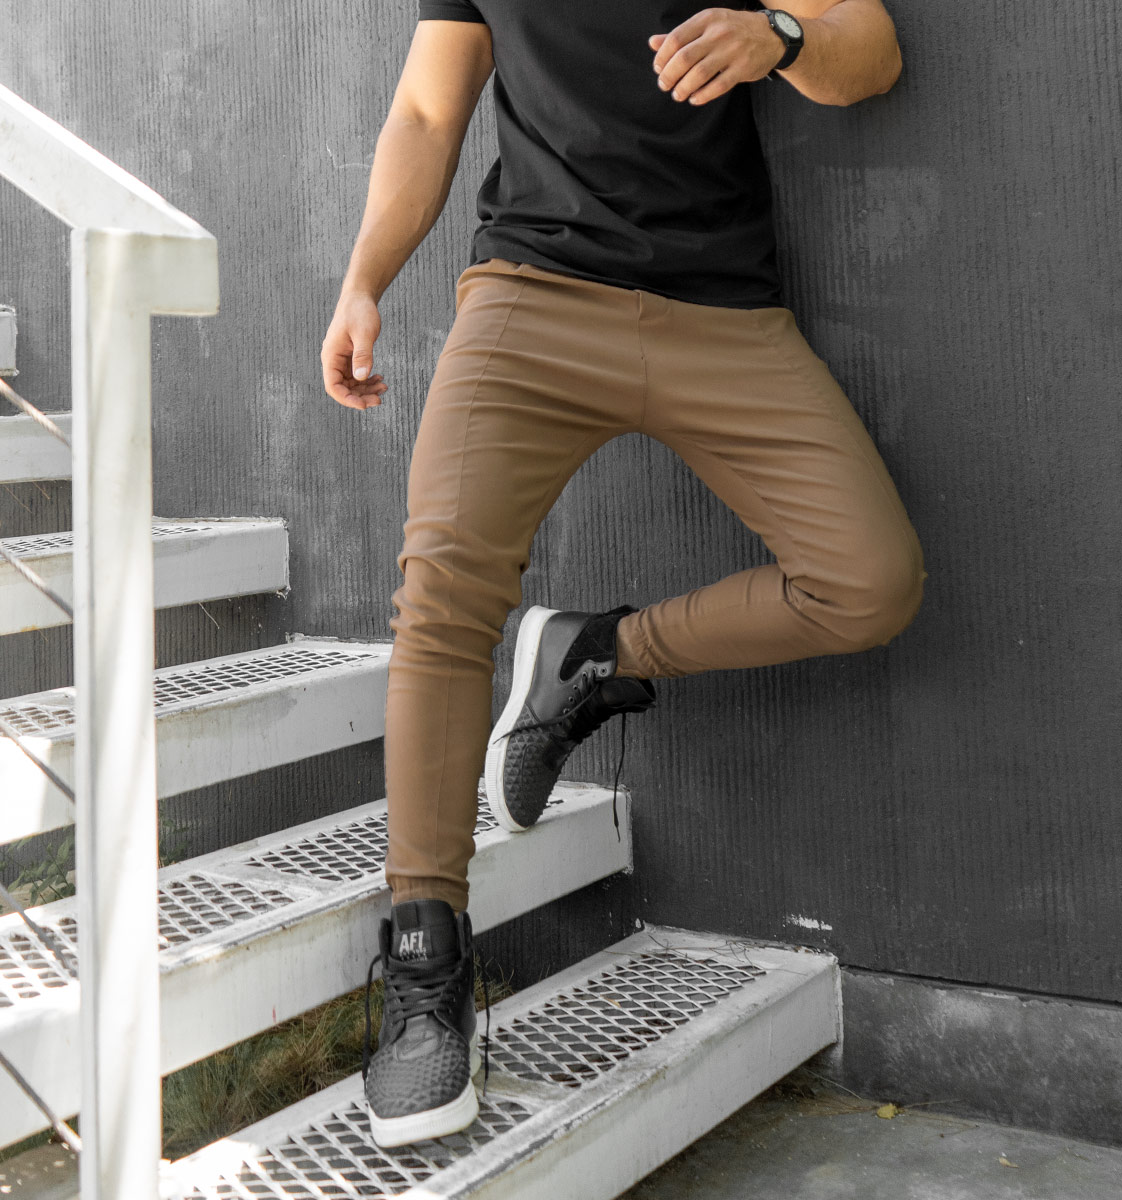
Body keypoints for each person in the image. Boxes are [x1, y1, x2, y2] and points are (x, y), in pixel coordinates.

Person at [321, 0, 924, 1150]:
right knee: (441, 597)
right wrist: (364, 278)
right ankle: (426, 968)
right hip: (532, 295)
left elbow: (872, 50)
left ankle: (596, 658)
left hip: (720, 310)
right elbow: (427, 109)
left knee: (870, 581)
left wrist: (781, 37)